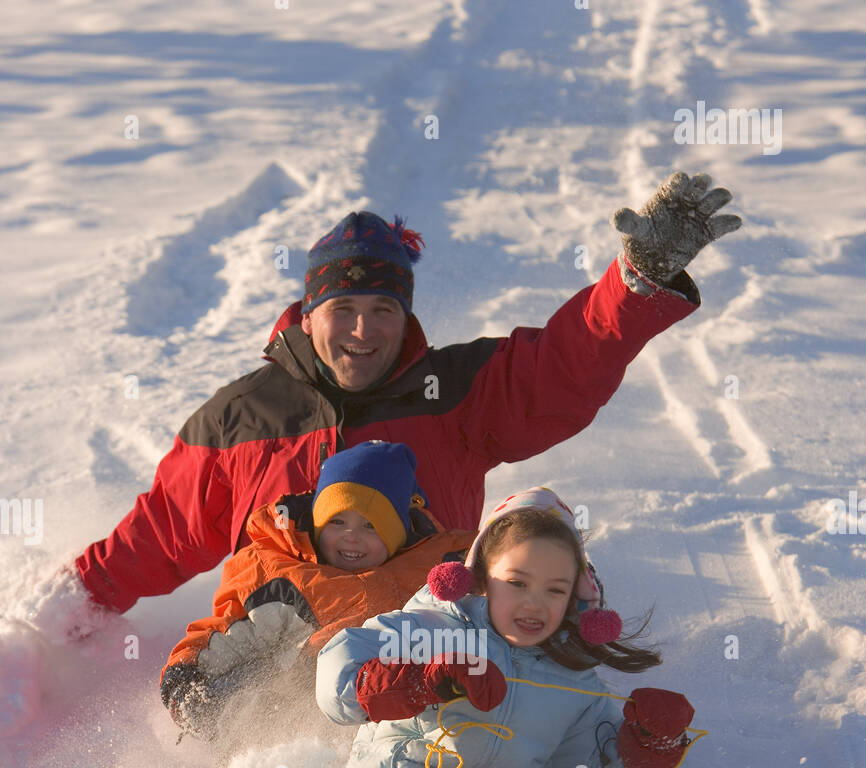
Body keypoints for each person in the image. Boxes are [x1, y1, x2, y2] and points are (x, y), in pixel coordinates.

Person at [11, 172, 741, 652]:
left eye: (384, 309)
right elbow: (162, 533)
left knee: (535, 535)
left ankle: (530, 766)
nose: (364, 331)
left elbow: (565, 363)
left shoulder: (455, 390)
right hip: (282, 655)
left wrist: (637, 282)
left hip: (425, 640)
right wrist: (52, 626)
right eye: (345, 309)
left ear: (405, 315)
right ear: (309, 311)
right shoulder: (243, 417)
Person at [314, 488, 694, 768]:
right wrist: (421, 680)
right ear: (480, 579)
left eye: (555, 590)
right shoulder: (429, 628)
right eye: (517, 583)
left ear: (574, 598)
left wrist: (648, 745)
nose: (534, 604)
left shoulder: (572, 679)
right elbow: (338, 674)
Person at [159, 440, 473, 758]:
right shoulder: (284, 573)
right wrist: (187, 678)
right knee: (257, 702)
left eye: (370, 525)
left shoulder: (433, 565)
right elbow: (231, 631)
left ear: (398, 532)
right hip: (288, 706)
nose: (351, 536)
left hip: (392, 719)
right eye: (337, 521)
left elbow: (498, 575)